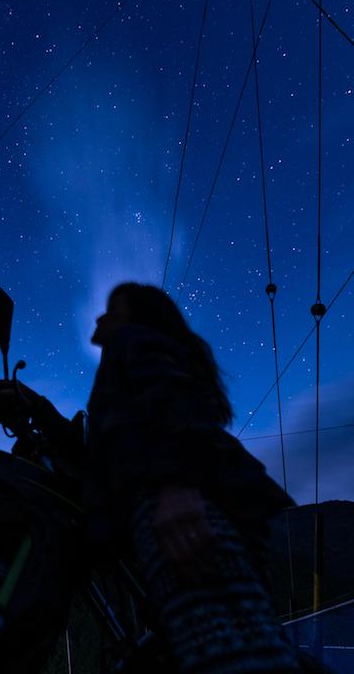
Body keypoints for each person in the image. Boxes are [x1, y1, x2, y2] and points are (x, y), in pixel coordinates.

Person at [85, 282, 301, 673]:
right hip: (199, 504)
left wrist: (176, 488)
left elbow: (170, 402)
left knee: (227, 650)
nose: (101, 317)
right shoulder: (138, 346)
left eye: (112, 309)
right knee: (241, 638)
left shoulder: (131, 340)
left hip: (183, 509)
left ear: (136, 317)